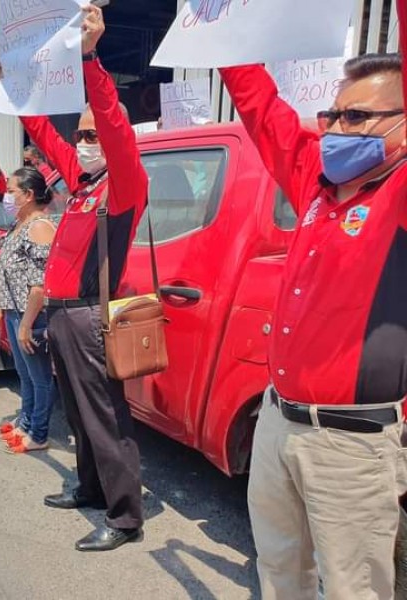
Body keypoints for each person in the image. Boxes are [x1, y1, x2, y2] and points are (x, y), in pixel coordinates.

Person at [218, 46, 407, 598]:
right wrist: (224, 28)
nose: (336, 129)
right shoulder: (315, 184)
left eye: (356, 117)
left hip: (350, 444)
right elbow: (259, 106)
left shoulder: (395, 196)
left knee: (352, 588)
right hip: (278, 419)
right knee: (278, 568)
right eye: (333, 115)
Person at [0, 5, 147, 551]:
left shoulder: (124, 182)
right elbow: (43, 129)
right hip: (61, 315)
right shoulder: (81, 187)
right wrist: (17, 92)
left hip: (88, 316)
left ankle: (126, 517)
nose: (81, 141)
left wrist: (90, 59)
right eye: (79, 135)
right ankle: (88, 488)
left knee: (105, 418)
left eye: (90, 134)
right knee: (79, 414)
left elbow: (107, 118)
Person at [0, 167, 57, 454]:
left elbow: (40, 285)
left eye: (11, 190)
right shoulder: (19, 224)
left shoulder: (40, 227)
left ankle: (39, 433)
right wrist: (0, 310)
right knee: (25, 374)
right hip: (16, 312)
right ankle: (27, 422)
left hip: (32, 315)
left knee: (40, 379)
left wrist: (26, 324)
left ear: (28, 195)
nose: (7, 196)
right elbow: (7, 271)